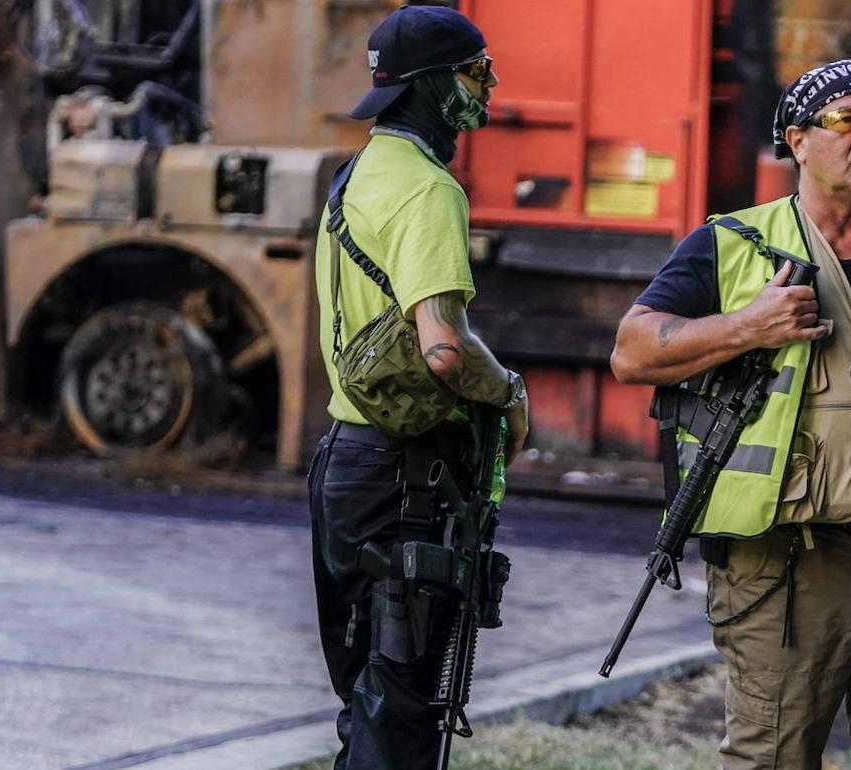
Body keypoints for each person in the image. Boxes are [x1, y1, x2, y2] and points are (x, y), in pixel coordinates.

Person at [612, 59, 851, 770]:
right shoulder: (729, 244)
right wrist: (746, 326)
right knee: (775, 756)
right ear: (797, 140)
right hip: (785, 558)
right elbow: (632, 352)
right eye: (846, 119)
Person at [306, 6, 528, 769]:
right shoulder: (430, 190)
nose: (490, 84)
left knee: (369, 703)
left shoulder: (358, 174)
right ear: (431, 84)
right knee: (399, 717)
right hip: (407, 482)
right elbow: (442, 347)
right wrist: (509, 393)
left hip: (346, 467)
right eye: (476, 70)